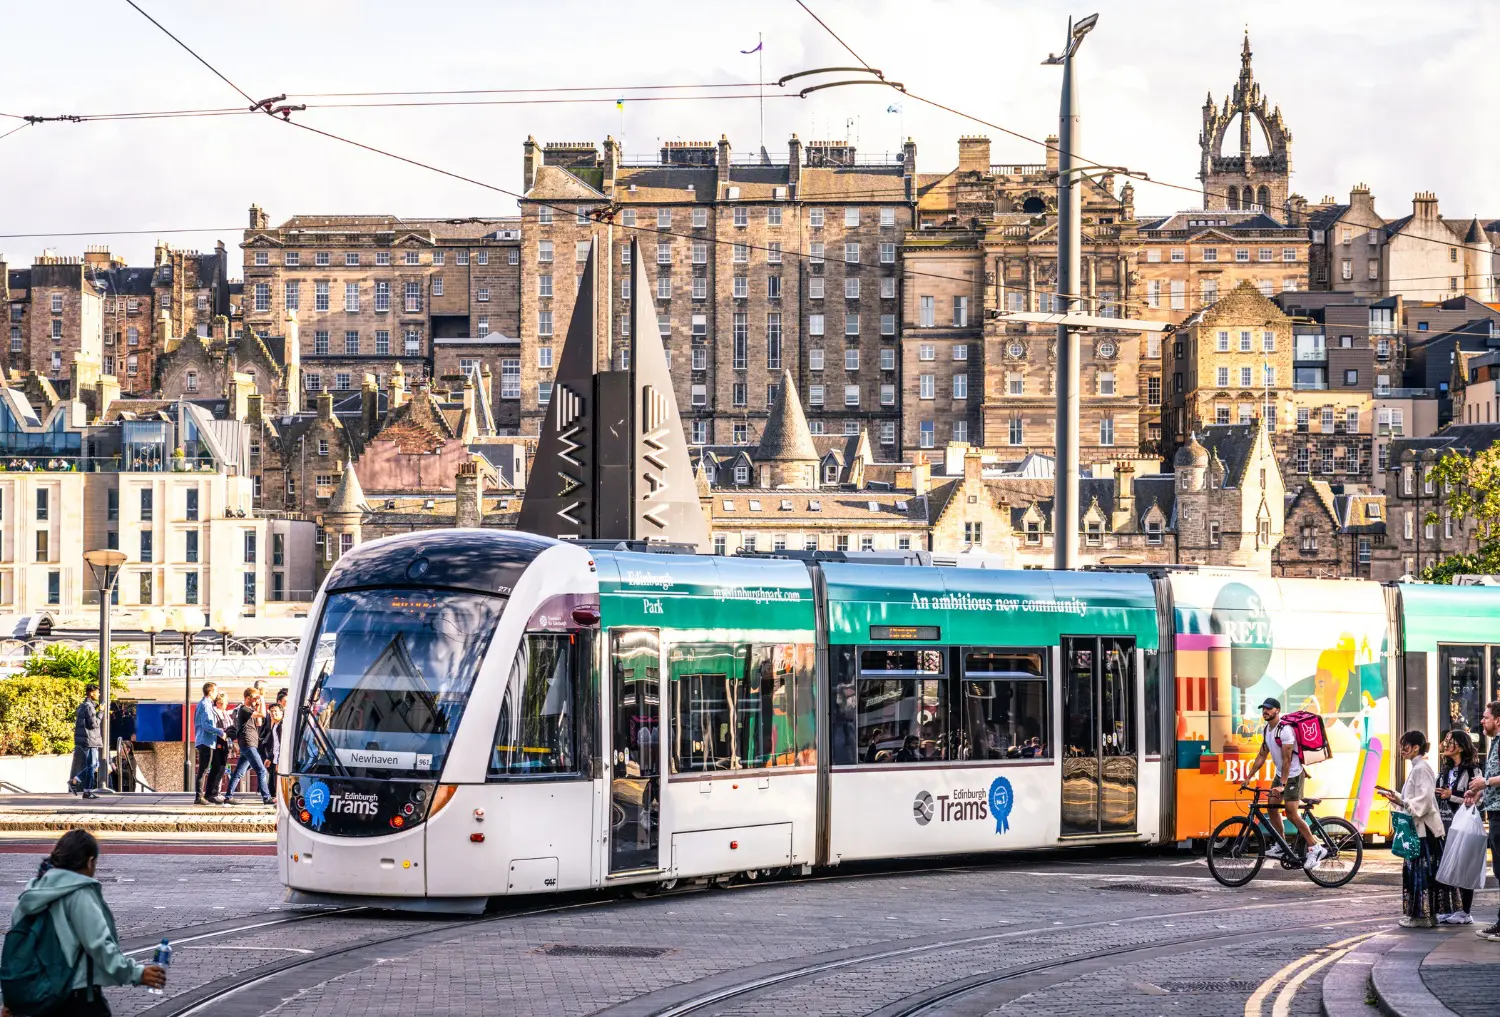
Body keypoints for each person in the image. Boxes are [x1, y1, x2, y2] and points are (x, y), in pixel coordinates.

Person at [6, 830, 166, 1015]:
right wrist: (135, 973)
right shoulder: (80, 893)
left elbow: (17, 950)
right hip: (75, 996)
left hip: (36, 997)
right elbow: (99, 945)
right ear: (90, 862)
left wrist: (11, 1000)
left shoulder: (32, 892)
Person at [1242, 697, 1324, 870]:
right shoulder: (1266, 730)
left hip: (1293, 774)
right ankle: (1281, 843)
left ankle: (1315, 847)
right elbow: (1261, 756)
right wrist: (1248, 776)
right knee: (1272, 807)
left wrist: (1283, 784)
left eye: (1268, 709)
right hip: (1281, 774)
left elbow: (1287, 760)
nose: (1265, 711)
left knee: (1291, 813)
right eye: (1263, 709)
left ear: (1277, 711)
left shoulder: (1285, 730)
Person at [1379, 731, 1448, 928]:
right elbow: (1417, 799)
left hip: (1422, 832)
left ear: (1416, 747)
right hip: (1423, 830)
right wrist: (1398, 798)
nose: (1402, 750)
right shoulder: (1419, 767)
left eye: (1405, 745)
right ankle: (1427, 915)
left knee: (1418, 874)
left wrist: (1402, 801)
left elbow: (1424, 801)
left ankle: (1422, 917)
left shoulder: (1420, 768)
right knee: (1423, 874)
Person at [1462, 699, 1500, 942]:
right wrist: (1479, 793)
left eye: (1486, 717)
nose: (1482, 721)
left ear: (1497, 720)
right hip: (1495, 811)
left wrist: (1484, 783)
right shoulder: (1495, 742)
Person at [1436, 728, 1481, 924]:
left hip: (1463, 824)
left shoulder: (1473, 770)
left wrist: (1451, 795)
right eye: (1445, 740)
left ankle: (1466, 912)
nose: (1445, 744)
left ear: (1461, 747)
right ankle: (1451, 909)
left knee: (1464, 865)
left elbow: (1478, 801)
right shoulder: (1445, 770)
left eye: (1450, 741)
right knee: (1447, 864)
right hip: (1444, 823)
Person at [224, 690, 272, 806]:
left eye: (256, 698)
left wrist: (258, 704)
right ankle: (266, 797)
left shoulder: (249, 710)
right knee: (261, 770)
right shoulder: (243, 709)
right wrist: (261, 698)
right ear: (248, 698)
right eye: (254, 698)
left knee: (239, 773)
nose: (256, 700)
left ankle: (228, 797)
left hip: (249, 744)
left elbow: (260, 722)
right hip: (248, 744)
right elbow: (263, 714)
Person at [69, 686, 103, 801]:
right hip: (90, 739)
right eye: (97, 692)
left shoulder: (85, 705)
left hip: (87, 739)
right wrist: (101, 712)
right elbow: (94, 724)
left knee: (94, 765)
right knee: (92, 765)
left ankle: (75, 781)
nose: (99, 694)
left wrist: (97, 708)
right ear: (91, 693)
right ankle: (87, 791)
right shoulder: (89, 707)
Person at [192, 681, 220, 805]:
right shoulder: (205, 705)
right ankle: (199, 797)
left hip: (207, 741)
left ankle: (204, 795)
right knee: (203, 770)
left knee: (206, 769)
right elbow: (206, 725)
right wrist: (219, 732)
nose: (217, 694)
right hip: (205, 741)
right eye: (216, 691)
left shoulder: (206, 704)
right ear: (210, 692)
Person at [204, 692, 231, 804]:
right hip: (217, 741)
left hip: (224, 742)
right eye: (225, 703)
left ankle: (214, 792)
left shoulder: (224, 713)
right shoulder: (214, 711)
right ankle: (212, 793)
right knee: (217, 767)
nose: (226, 705)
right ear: (219, 703)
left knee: (221, 767)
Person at [260, 697, 283, 790]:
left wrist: (280, 761)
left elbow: (283, 745)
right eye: (271, 712)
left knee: (278, 781)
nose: (273, 714)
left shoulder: (282, 725)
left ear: (282, 712)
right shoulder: (275, 725)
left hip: (280, 759)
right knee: (273, 782)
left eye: (275, 711)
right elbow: (275, 744)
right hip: (275, 758)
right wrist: (269, 757)